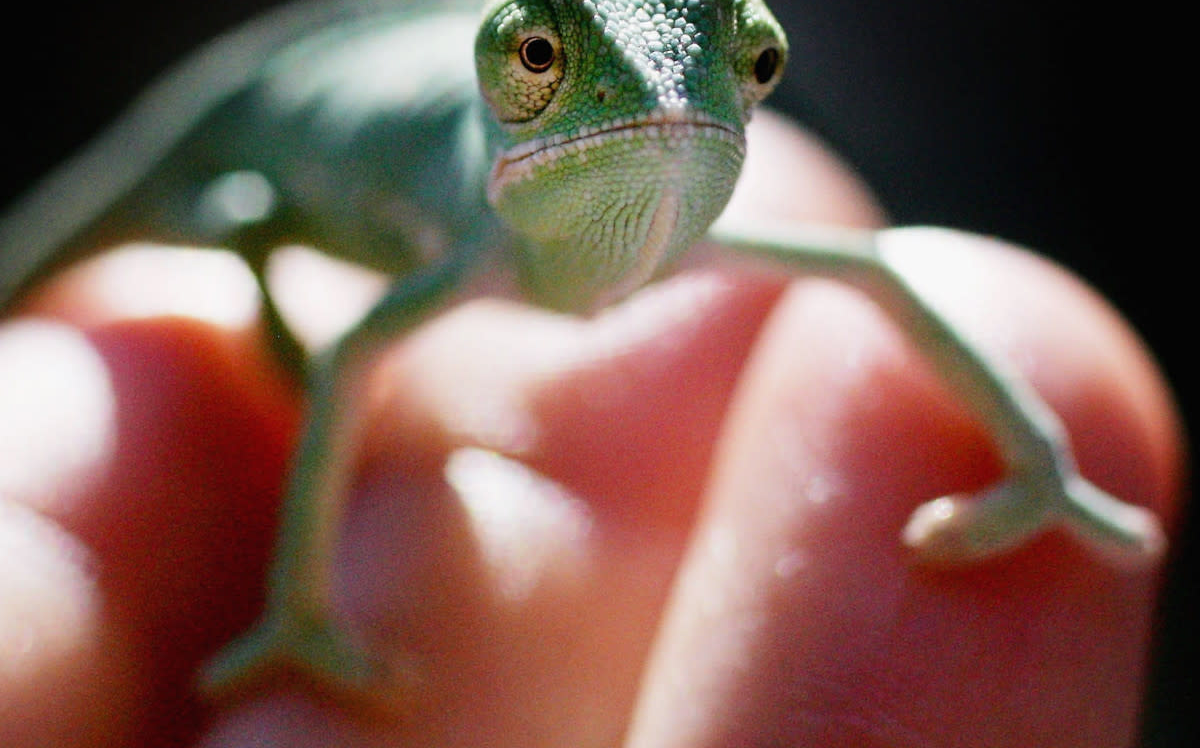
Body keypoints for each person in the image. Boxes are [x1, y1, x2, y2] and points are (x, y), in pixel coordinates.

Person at [0, 112, 1180, 747]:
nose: (662, 122)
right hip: (264, 157)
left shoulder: (674, 202)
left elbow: (883, 278)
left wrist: (1036, 455)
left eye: (750, 64)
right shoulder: (487, 229)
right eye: (538, 64)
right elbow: (359, 357)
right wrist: (299, 609)